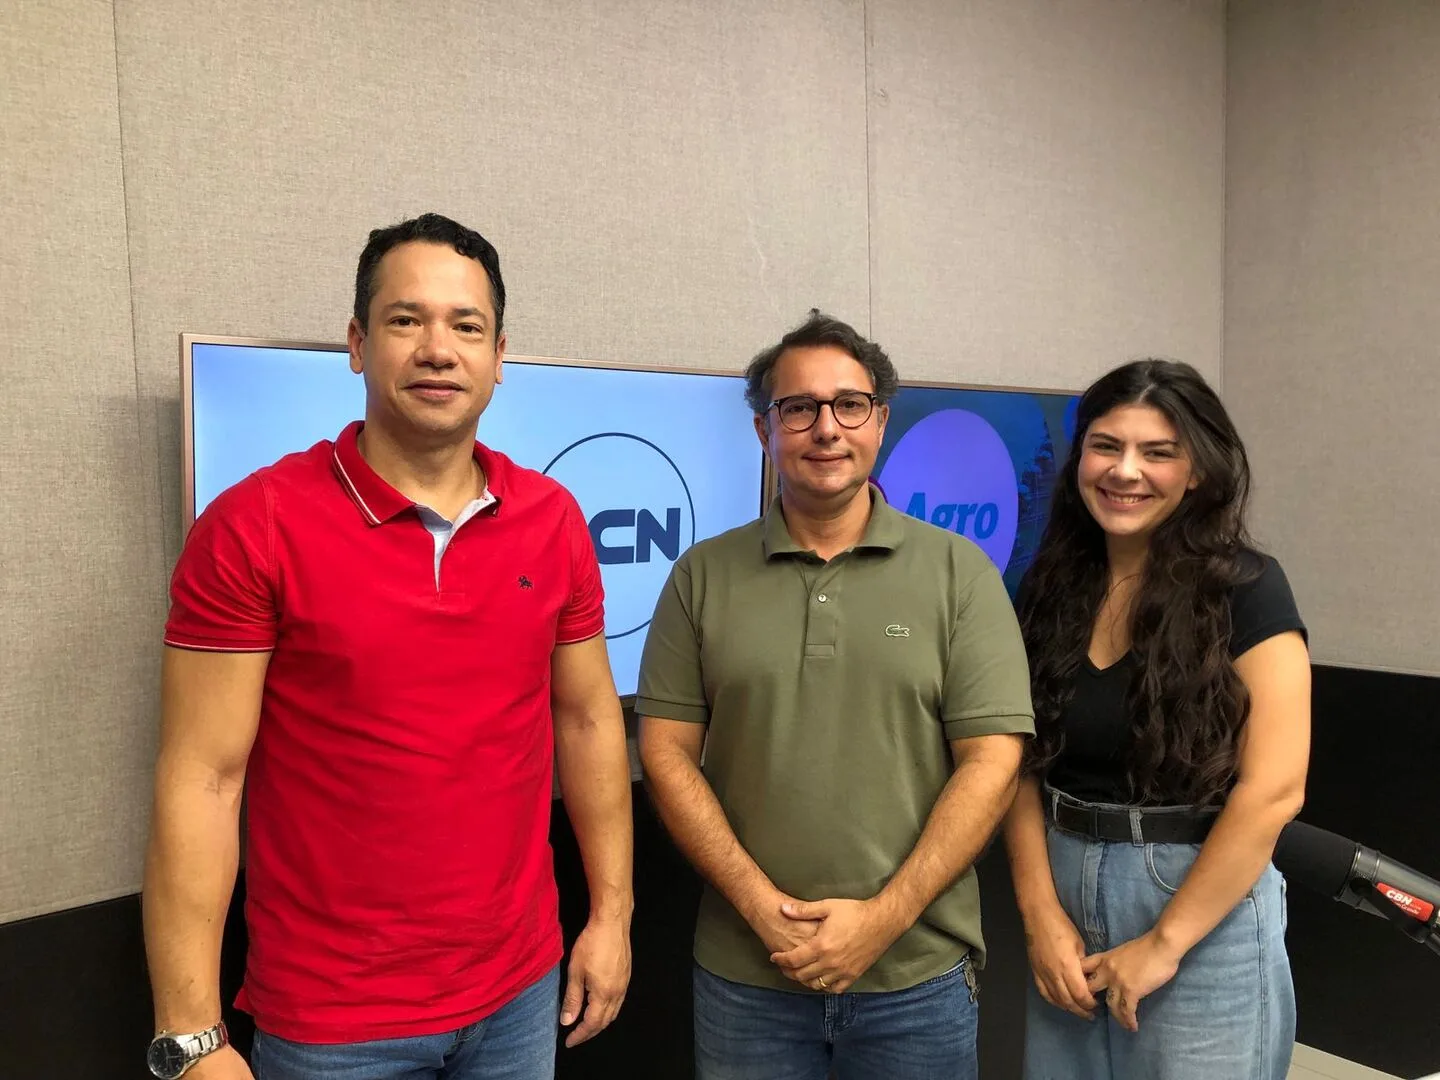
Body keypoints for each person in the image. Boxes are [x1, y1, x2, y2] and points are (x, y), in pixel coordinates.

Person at [142, 213, 634, 1080]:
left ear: (498, 354)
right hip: (334, 1022)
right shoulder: (255, 525)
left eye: (466, 326)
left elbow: (589, 721)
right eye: (407, 321)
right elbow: (202, 779)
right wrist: (192, 1036)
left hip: (521, 992)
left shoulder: (552, 519)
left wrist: (613, 916)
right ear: (358, 345)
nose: (438, 349)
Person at [636, 311, 1035, 1080]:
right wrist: (762, 910)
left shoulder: (960, 576)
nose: (826, 428)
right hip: (746, 980)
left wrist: (879, 923)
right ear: (764, 428)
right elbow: (666, 753)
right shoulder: (701, 576)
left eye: (849, 405)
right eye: (799, 408)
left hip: (916, 980)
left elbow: (991, 762)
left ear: (880, 421)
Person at [1003, 359, 1309, 1079]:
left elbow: (1274, 790)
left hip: (1199, 899)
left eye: (1158, 452)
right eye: (1106, 446)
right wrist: (1039, 913)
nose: (1126, 471)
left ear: (1198, 471)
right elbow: (1018, 761)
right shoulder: (1048, 586)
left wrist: (1166, 941)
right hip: (1065, 882)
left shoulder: (1250, 590)